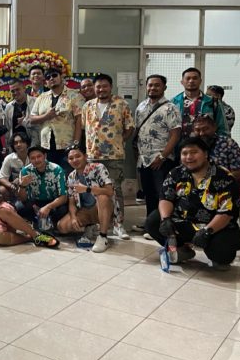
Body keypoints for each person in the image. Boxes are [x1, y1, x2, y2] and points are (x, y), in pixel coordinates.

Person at [145, 137, 240, 270]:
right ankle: (182, 250)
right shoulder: (176, 173)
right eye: (184, 153)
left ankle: (216, 254)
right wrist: (165, 219)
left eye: (194, 152)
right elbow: (166, 198)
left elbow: (226, 212)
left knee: (222, 256)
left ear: (206, 154)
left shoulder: (224, 177)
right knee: (153, 222)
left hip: (214, 227)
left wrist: (207, 231)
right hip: (183, 222)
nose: (189, 157)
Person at [82, 73, 134, 239]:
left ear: (111, 87)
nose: (101, 89)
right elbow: (86, 128)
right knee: (94, 192)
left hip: (114, 156)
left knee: (115, 190)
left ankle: (118, 224)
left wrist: (118, 140)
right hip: (92, 156)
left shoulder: (121, 104)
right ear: (94, 88)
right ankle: (99, 222)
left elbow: (130, 127)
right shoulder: (88, 106)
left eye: (105, 86)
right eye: (98, 86)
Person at [133, 74, 181, 230]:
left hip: (162, 159)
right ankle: (150, 224)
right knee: (148, 193)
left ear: (164, 87)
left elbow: (175, 135)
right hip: (144, 160)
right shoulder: (141, 107)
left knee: (163, 194)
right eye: (150, 85)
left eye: (157, 85)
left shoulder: (171, 108)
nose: (153, 88)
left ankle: (163, 225)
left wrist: (162, 156)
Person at [56, 145, 116, 253]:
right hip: (85, 210)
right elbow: (71, 202)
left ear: (85, 156)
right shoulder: (71, 176)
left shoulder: (98, 167)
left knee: (103, 197)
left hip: (102, 207)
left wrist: (87, 189)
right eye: (71, 158)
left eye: (78, 156)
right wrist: (73, 217)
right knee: (62, 226)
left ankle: (103, 236)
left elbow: (109, 191)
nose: (74, 160)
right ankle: (90, 226)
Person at [28, 67, 82, 171]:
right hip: (46, 147)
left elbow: (78, 121)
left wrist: (75, 144)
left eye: (54, 75)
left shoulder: (75, 95)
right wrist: (46, 116)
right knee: (50, 176)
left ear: (61, 77)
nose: (51, 78)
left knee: (67, 176)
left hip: (67, 146)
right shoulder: (41, 97)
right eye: (48, 77)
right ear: (46, 82)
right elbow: (31, 119)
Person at [0, 184, 59, 248]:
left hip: (9, 219)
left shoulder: (6, 205)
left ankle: (35, 235)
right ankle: (32, 237)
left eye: (3, 194)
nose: (1, 195)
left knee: (3, 210)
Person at [17, 146, 68, 225]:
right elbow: (22, 199)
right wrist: (22, 186)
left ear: (45, 156)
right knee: (19, 207)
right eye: (33, 158)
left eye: (39, 156)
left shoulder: (57, 169)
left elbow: (63, 197)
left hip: (53, 201)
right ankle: (38, 221)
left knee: (63, 210)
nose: (36, 160)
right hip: (35, 202)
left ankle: (49, 221)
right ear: (29, 159)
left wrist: (48, 207)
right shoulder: (25, 171)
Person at [171, 67, 227, 139]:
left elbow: (222, 128)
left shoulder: (214, 102)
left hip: (207, 144)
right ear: (182, 82)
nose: (191, 81)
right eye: (188, 78)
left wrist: (223, 144)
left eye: (195, 78)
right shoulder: (174, 103)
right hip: (181, 145)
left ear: (200, 81)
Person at [192, 113, 240, 181]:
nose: (201, 133)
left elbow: (238, 173)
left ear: (214, 127)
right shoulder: (190, 146)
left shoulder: (228, 144)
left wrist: (214, 182)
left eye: (205, 129)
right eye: (197, 130)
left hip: (222, 184)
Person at [3, 79, 37, 150]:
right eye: (12, 91)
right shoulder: (8, 107)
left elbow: (40, 123)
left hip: (33, 144)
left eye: (17, 89)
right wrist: (8, 147)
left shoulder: (36, 102)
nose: (15, 93)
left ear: (24, 88)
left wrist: (25, 122)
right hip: (15, 146)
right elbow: (7, 129)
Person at [0, 131, 31, 202]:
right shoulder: (9, 158)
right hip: (17, 188)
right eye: (15, 143)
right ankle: (10, 206)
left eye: (21, 142)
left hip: (33, 186)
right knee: (1, 189)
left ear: (27, 143)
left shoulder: (33, 156)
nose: (18, 145)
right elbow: (1, 178)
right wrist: (11, 185)